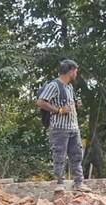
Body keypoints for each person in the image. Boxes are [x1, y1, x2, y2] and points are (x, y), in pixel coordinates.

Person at [37, 60, 89, 192]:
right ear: (70, 71)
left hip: (73, 127)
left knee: (77, 156)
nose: (76, 74)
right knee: (60, 156)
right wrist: (58, 110)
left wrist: (76, 105)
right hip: (59, 128)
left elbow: (68, 105)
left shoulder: (69, 87)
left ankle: (79, 183)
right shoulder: (54, 85)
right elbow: (41, 102)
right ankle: (60, 183)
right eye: (76, 71)